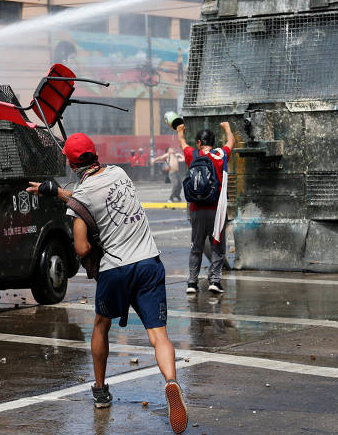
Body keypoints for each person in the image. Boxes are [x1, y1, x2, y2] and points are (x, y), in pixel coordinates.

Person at [27, 133, 188, 434]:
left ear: (72, 164)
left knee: (102, 324)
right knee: (159, 335)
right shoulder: (120, 173)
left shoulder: (79, 203)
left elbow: (81, 247)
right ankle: (170, 381)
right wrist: (60, 193)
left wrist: (64, 202)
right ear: (94, 153)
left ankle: (100, 391)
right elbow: (88, 195)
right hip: (149, 262)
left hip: (116, 270)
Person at [177, 122, 235, 295]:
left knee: (196, 246)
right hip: (217, 210)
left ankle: (192, 283)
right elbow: (231, 141)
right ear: (213, 142)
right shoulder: (220, 154)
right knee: (217, 246)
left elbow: (182, 142)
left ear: (199, 143)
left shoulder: (193, 154)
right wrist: (227, 128)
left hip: (196, 209)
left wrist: (180, 131)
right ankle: (215, 281)